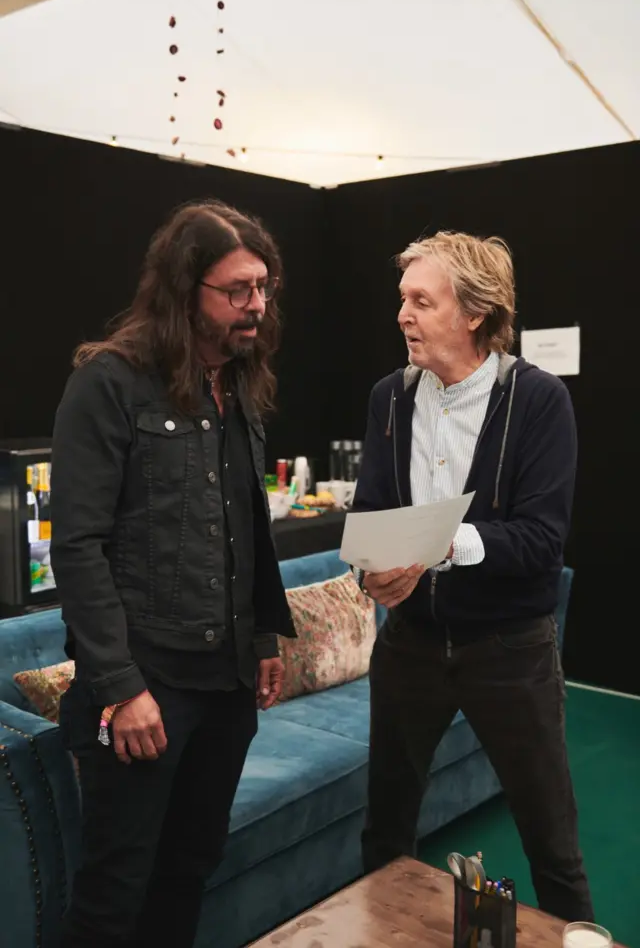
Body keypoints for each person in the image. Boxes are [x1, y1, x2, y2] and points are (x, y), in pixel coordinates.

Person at [50, 200, 296, 948]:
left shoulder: (239, 383)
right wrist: (121, 689)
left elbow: (245, 522)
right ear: (185, 291)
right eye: (237, 290)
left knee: (189, 868)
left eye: (263, 287)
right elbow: (78, 547)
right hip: (146, 686)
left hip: (227, 686)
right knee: (115, 891)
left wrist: (263, 635)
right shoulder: (109, 383)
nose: (256, 306)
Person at [353, 230, 593, 922]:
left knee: (552, 844)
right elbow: (371, 513)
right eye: (403, 299)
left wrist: (435, 545)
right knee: (386, 831)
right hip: (410, 645)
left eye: (421, 301)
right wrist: (374, 575)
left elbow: (542, 541)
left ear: (475, 313)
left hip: (510, 650)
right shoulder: (389, 398)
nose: (402, 314)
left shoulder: (539, 400)